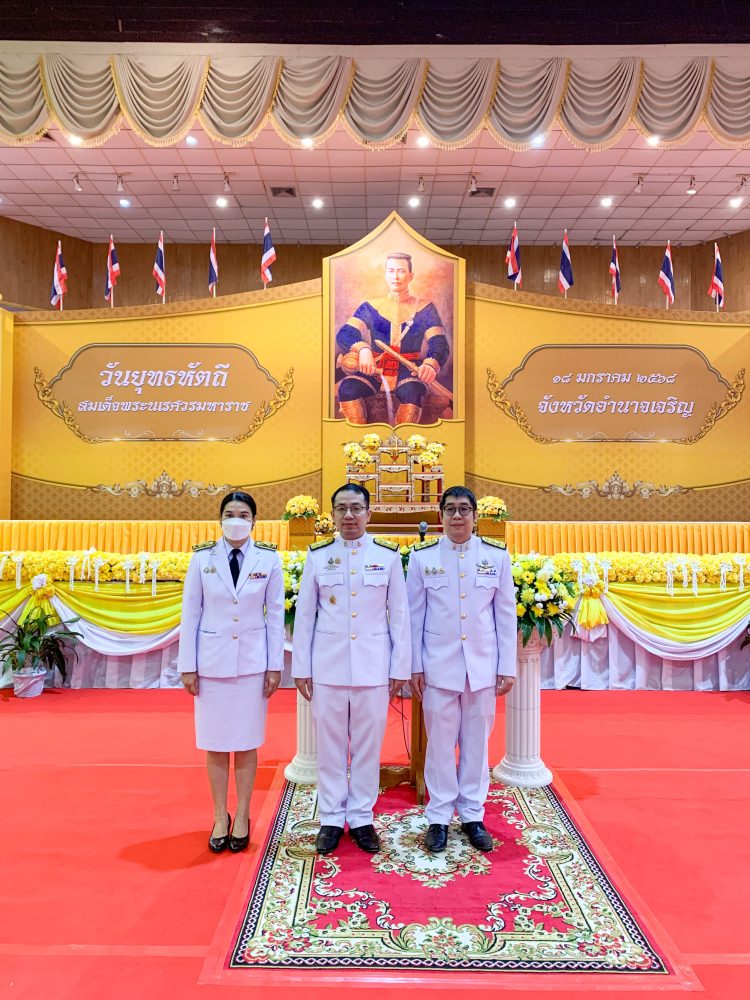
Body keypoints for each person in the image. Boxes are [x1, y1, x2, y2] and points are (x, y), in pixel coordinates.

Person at [291, 483, 410, 855]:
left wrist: (399, 667)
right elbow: (305, 615)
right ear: (332, 515)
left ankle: (360, 817)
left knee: (367, 747)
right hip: (327, 666)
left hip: (373, 667)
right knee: (329, 747)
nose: (349, 515)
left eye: (356, 508)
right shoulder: (318, 555)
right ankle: (330, 818)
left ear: (369, 513)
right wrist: (301, 667)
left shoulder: (388, 556)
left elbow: (400, 616)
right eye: (341, 508)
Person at [406, 486, 517, 854]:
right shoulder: (423, 558)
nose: (457, 516)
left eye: (464, 509)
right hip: (438, 666)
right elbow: (413, 618)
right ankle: (438, 817)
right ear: (440, 516)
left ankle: (472, 814)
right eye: (450, 509)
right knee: (439, 744)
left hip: (481, 666)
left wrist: (507, 666)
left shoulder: (496, 557)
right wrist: (414, 665)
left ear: (475, 516)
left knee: (476, 744)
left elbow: (505, 616)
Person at [178, 491, 284, 853]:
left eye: (243, 514)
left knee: (246, 741)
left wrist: (274, 666)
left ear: (254, 520)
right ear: (220, 518)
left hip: (252, 665)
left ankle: (242, 814)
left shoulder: (268, 558)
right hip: (211, 663)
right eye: (229, 514)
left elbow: (274, 616)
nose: (236, 520)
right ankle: (219, 815)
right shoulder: (202, 558)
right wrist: (188, 666)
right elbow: (191, 613)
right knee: (216, 743)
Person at [336, 252, 450, 425]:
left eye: (401, 271)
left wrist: (430, 364)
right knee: (348, 389)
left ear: (410, 276)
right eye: (391, 271)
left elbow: (439, 343)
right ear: (385, 274)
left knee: (413, 391)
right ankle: (359, 441)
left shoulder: (425, 308)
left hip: (409, 369)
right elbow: (346, 333)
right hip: (375, 369)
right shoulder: (369, 307)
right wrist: (363, 349)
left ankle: (405, 441)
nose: (395, 276)